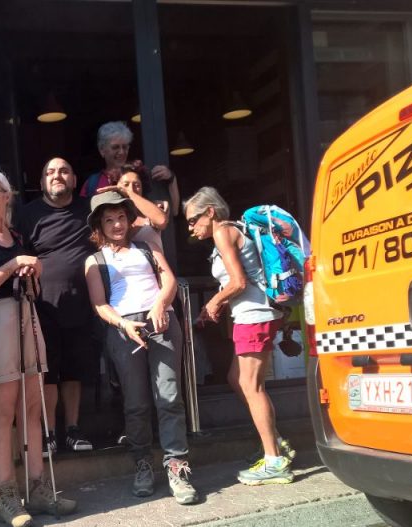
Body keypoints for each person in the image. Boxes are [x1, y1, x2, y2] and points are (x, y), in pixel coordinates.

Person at [0, 169, 77, 527]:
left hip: (25, 317)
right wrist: (14, 265)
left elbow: (33, 287)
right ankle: (6, 495)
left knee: (32, 407)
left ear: (7, 196)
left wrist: (32, 271)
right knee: (2, 410)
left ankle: (38, 489)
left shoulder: (19, 237)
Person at [83, 190, 198, 505]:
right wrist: (123, 324)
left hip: (161, 321)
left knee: (169, 397)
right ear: (99, 225)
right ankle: (142, 464)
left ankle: (177, 467)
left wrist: (161, 304)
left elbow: (169, 280)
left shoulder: (147, 247)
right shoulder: (94, 260)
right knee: (136, 403)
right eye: (109, 220)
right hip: (124, 329)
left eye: (121, 217)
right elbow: (99, 304)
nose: (117, 224)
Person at [183, 187, 296, 486]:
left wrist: (213, 302)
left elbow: (238, 282)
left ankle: (275, 460)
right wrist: (216, 305)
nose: (191, 228)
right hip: (254, 316)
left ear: (210, 212)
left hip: (254, 316)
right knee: (237, 379)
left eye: (193, 220)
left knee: (250, 385)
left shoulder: (223, 232)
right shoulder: (232, 230)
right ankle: (275, 442)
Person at [17, 158, 97, 454]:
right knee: (48, 371)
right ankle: (49, 432)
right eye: (50, 172)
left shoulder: (89, 210)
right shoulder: (27, 215)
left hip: (81, 303)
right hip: (42, 305)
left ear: (75, 180)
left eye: (64, 171)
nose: (57, 176)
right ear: (41, 183)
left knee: (74, 370)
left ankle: (73, 429)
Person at [80, 121, 181, 217]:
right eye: (115, 147)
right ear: (102, 150)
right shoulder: (92, 183)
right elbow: (84, 218)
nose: (121, 152)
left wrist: (171, 178)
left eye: (125, 147)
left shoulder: (141, 175)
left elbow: (174, 211)